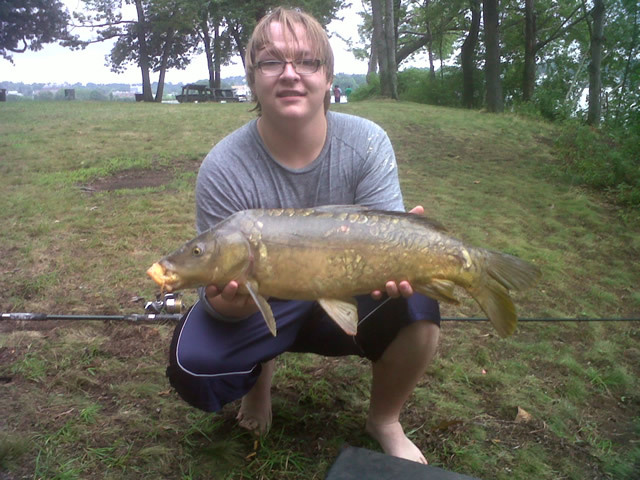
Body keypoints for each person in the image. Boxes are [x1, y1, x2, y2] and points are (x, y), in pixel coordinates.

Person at [166, 7, 440, 465]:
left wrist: (404, 251)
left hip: (350, 290)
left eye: (307, 61)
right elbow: (211, 280)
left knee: (418, 304)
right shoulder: (223, 165)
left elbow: (388, 240)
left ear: (328, 76)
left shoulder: (368, 142)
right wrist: (224, 305)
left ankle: (385, 419)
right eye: (272, 62)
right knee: (195, 364)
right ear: (253, 78)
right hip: (265, 300)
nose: (290, 74)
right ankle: (259, 386)